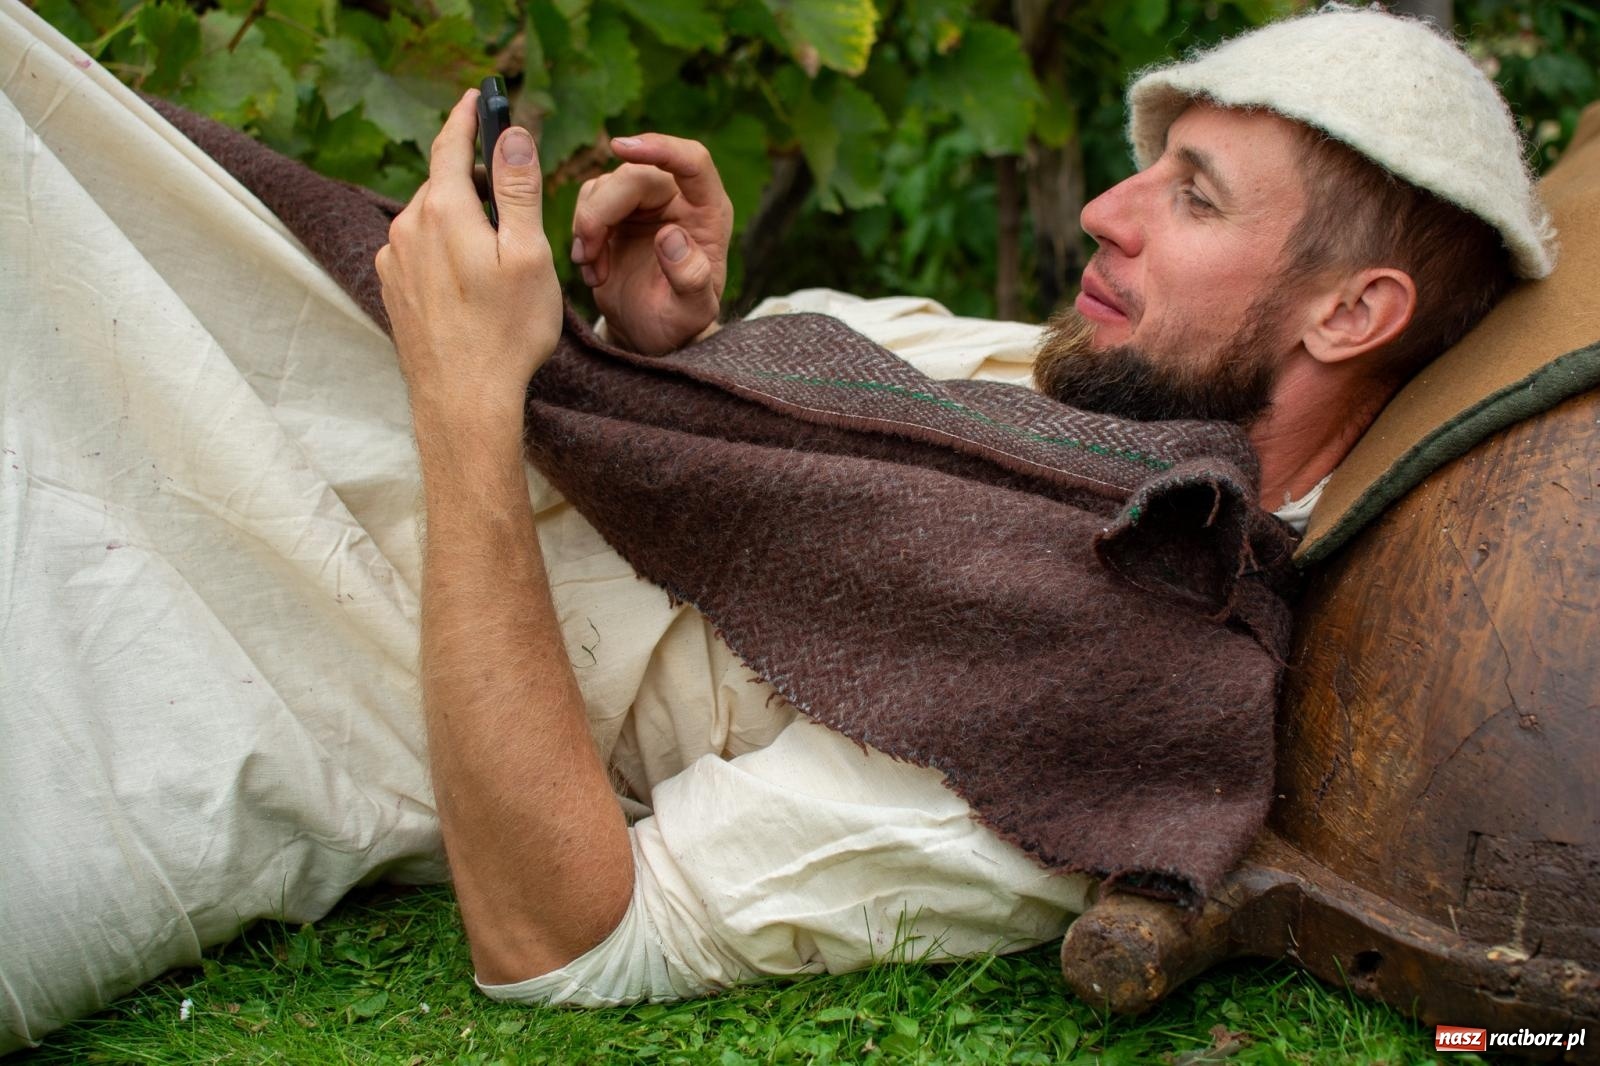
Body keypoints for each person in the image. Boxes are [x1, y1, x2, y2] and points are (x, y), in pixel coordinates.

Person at [371, 5, 1555, 1005]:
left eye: (1194, 199)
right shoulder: (1080, 392)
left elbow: (566, 943)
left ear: (1349, 314)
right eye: (1150, 168)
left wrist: (467, 404)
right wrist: (668, 358)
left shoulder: (1117, 676)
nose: (1105, 210)